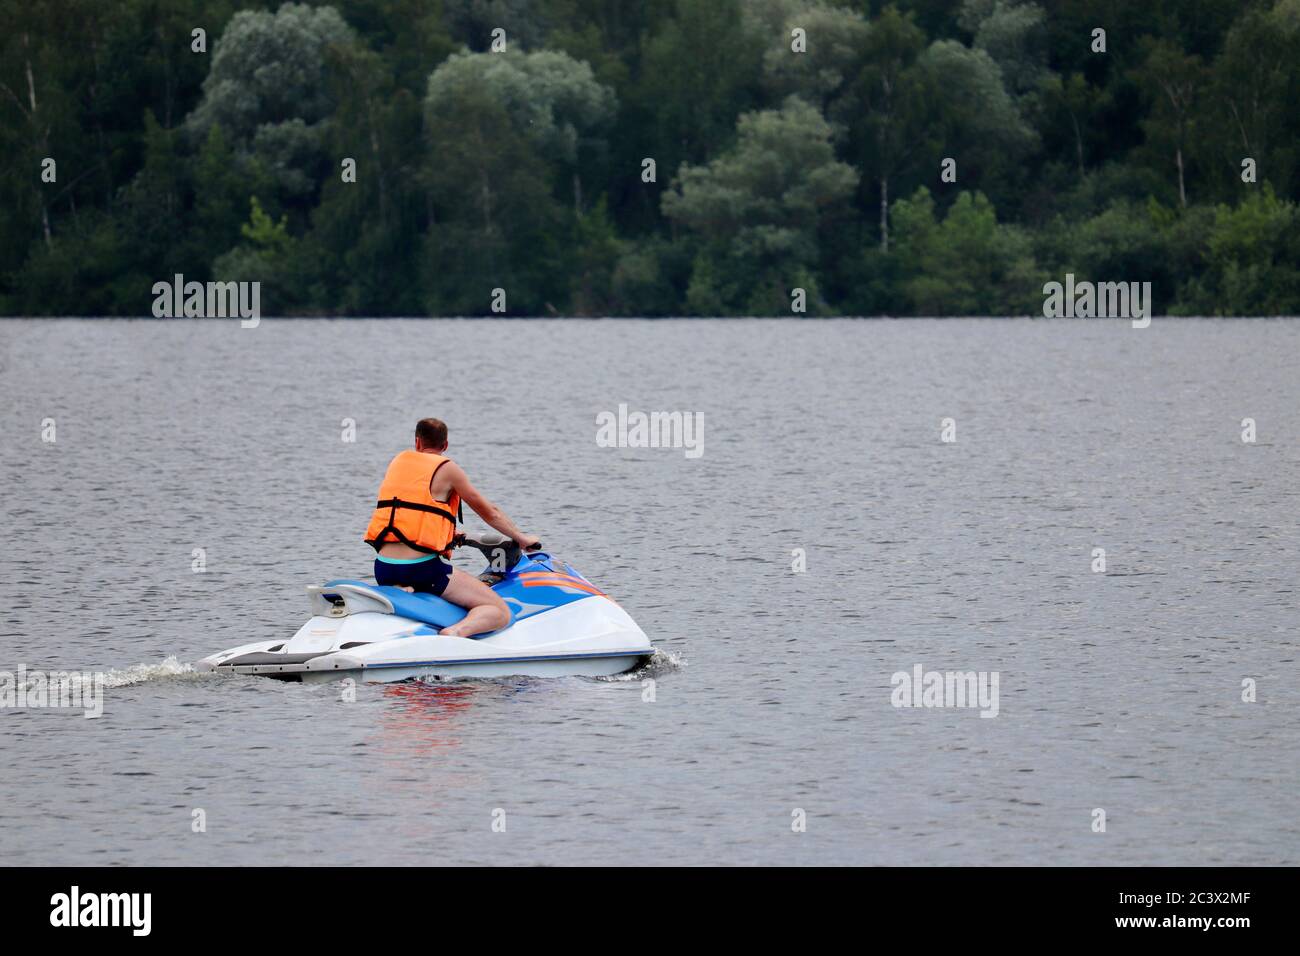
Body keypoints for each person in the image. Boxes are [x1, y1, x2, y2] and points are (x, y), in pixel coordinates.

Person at [364, 418, 539, 637]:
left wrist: (449, 536)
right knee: (499, 611)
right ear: (445, 446)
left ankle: (406, 597)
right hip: (420, 570)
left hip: (384, 568)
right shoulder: (448, 469)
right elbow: (490, 512)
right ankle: (454, 634)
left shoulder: (398, 461)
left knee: (420, 580)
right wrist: (521, 538)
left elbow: (410, 516)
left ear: (417, 442)